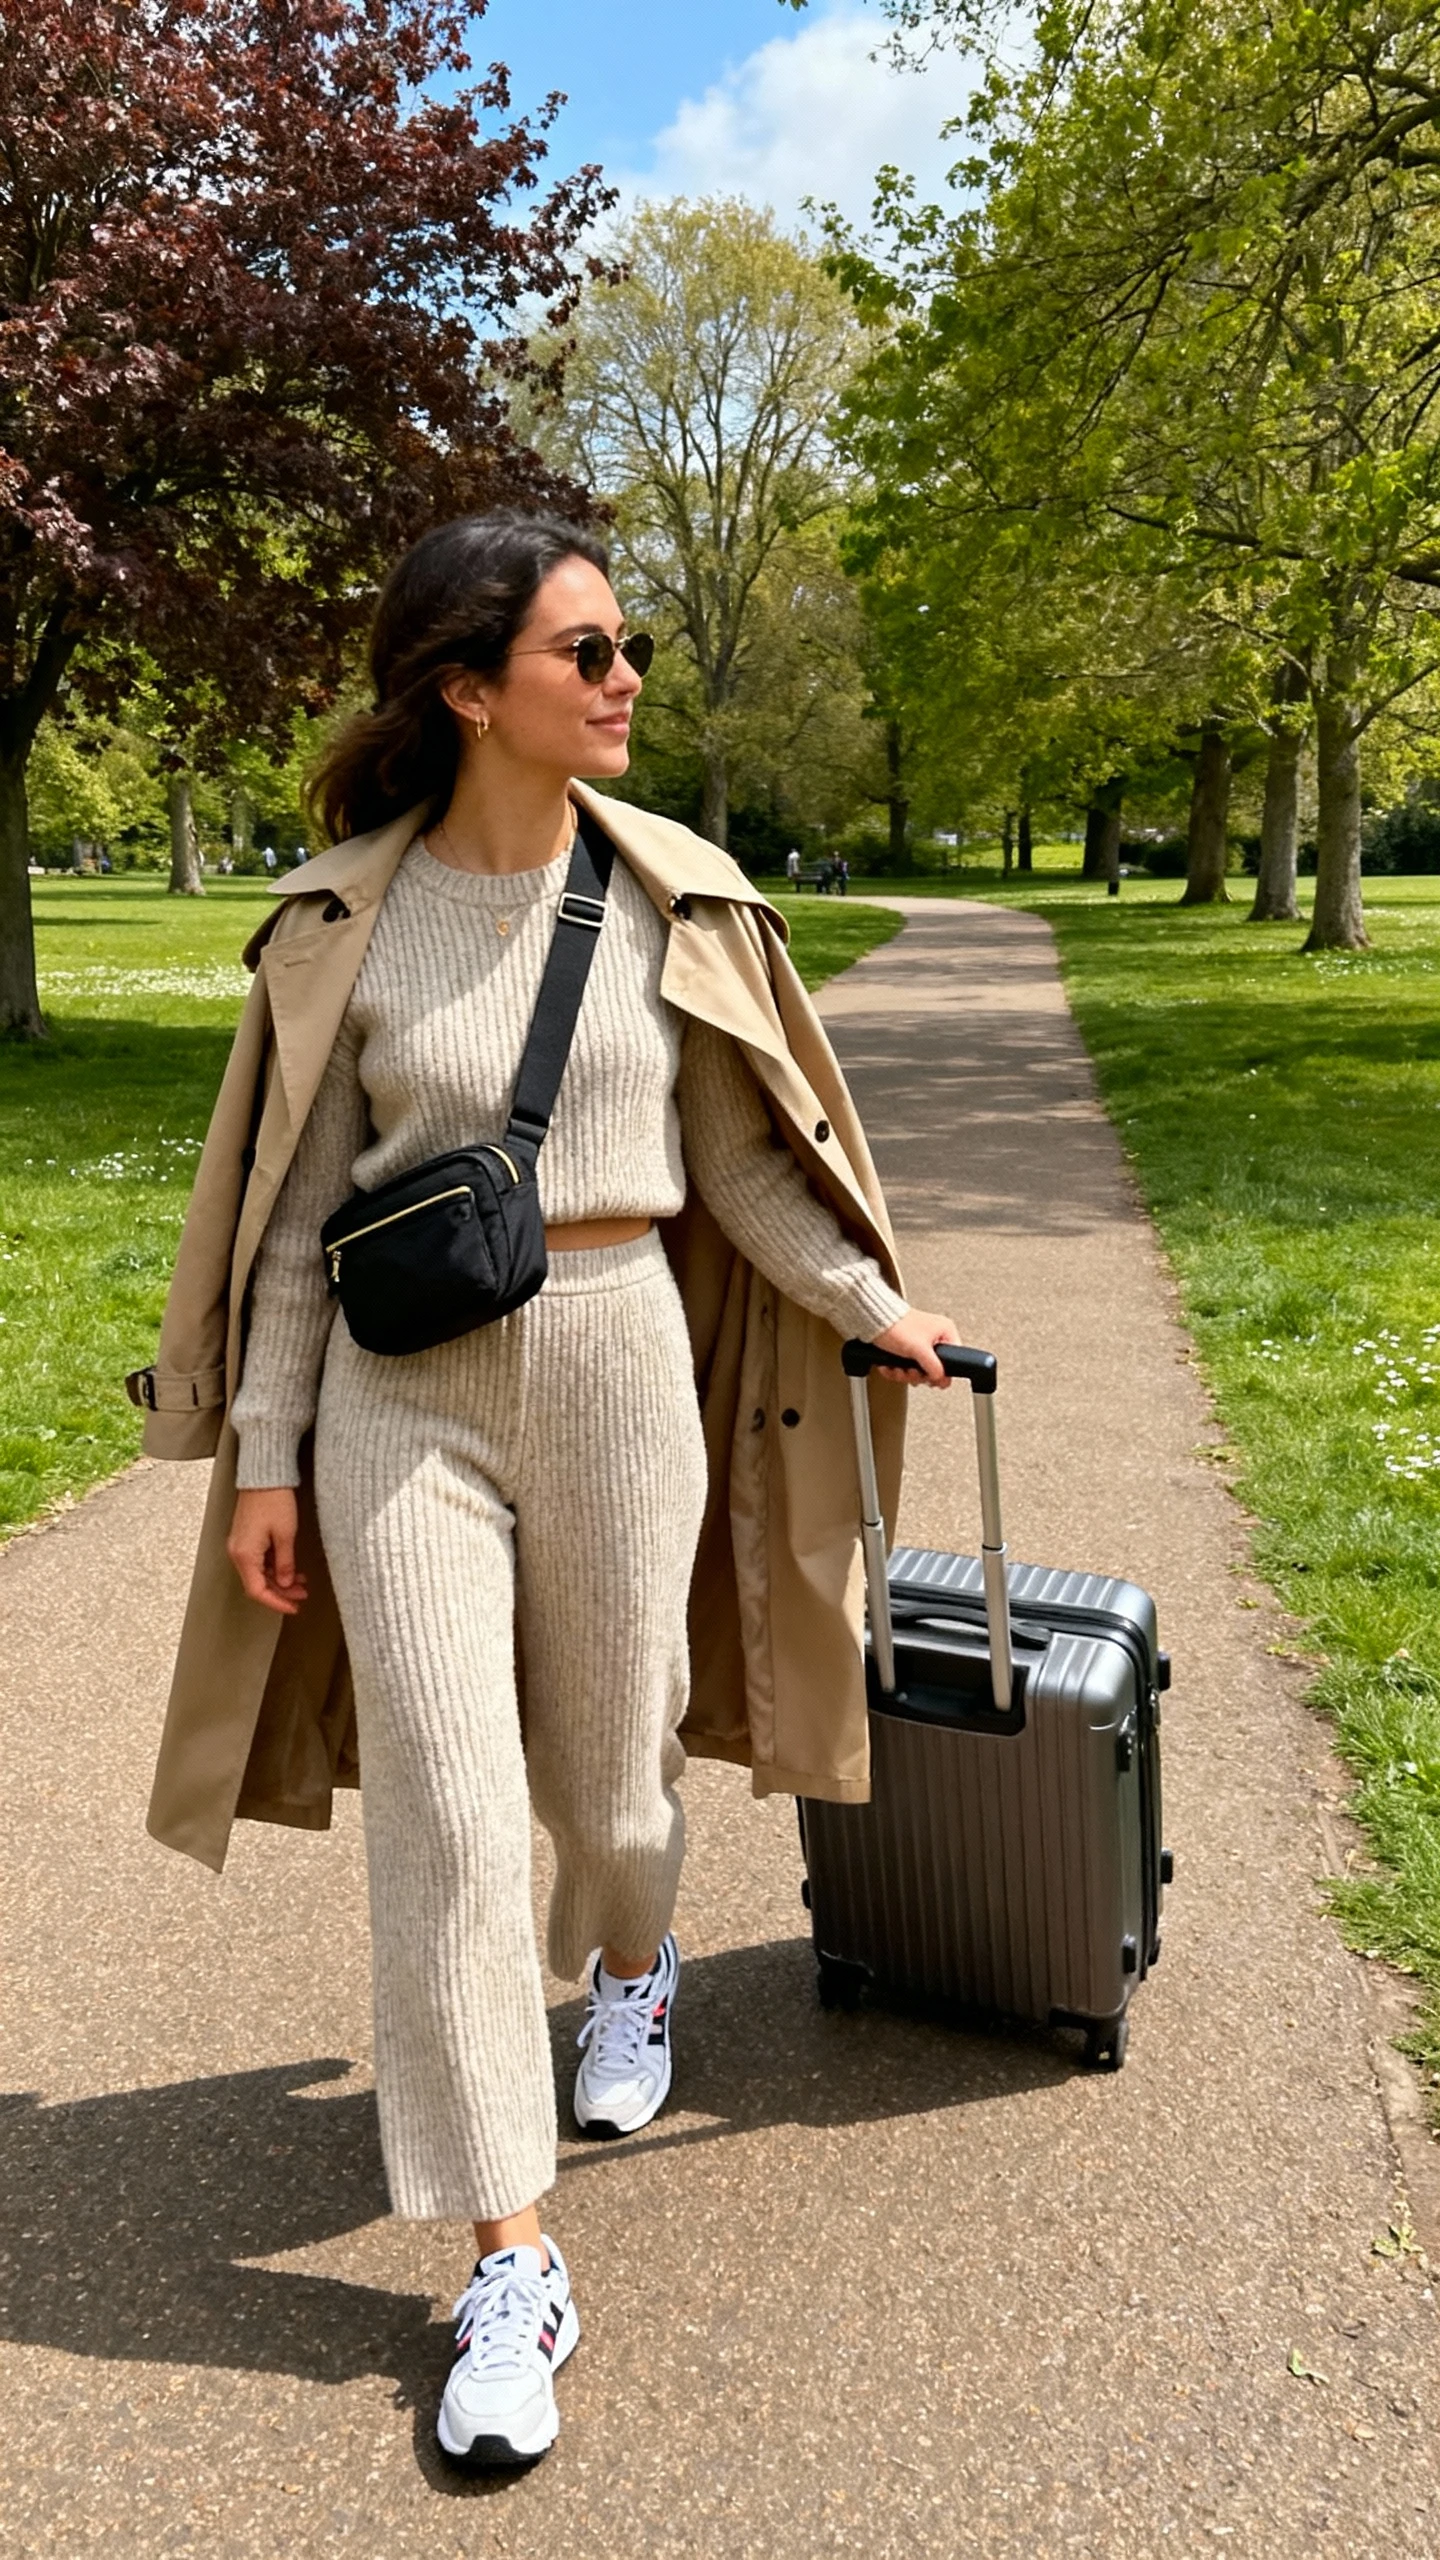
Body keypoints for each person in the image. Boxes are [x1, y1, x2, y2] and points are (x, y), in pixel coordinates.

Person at [131, 510, 958, 2473]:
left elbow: (747, 1168)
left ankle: (639, 1956)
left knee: (608, 1786)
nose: (624, 678)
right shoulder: (348, 918)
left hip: (613, 1359)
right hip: (398, 1403)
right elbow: (301, 1225)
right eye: (586, 650)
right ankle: (511, 2251)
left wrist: (872, 1299)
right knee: (445, 1794)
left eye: (628, 643)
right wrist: (268, 1453)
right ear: (465, 685)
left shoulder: (674, 895)